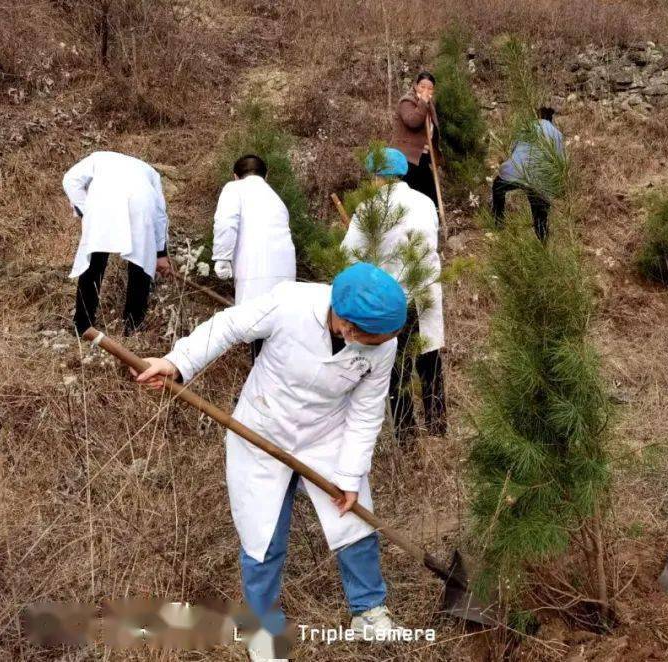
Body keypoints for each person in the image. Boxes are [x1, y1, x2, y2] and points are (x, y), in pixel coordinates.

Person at [132, 263, 408, 660]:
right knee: (263, 534)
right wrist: (176, 362)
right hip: (262, 430)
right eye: (376, 338)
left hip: (326, 435)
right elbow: (228, 326)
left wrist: (349, 475)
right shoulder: (290, 302)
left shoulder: (382, 344)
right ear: (348, 326)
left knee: (354, 522)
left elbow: (366, 411)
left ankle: (367, 610)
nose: (382, 344)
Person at [341, 148, 446, 440]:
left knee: (396, 368)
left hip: (393, 298)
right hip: (426, 289)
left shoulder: (369, 208)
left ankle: (408, 437)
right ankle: (438, 428)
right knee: (429, 360)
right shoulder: (424, 201)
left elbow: (350, 256)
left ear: (377, 177)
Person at [63, 151, 171, 335]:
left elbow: (70, 180)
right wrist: (160, 254)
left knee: (93, 263)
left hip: (104, 199)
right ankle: (132, 326)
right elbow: (160, 213)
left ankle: (83, 325)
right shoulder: (149, 170)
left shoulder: (98, 157)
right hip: (142, 201)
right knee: (140, 264)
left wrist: (85, 209)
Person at [212, 154, 297, 359]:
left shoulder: (234, 188)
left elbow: (226, 222)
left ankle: (258, 378)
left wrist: (222, 257)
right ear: (266, 175)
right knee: (277, 332)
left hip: (255, 269)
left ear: (235, 176)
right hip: (285, 273)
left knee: (255, 325)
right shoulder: (276, 198)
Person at [491, 107, 565, 241]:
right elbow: (559, 164)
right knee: (540, 214)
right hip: (538, 179)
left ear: (537, 114)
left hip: (515, 171)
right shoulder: (557, 134)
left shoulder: (526, 127)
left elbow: (513, 149)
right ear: (551, 118)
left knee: (497, 186)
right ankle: (543, 243)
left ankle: (498, 224)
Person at [389, 71, 440, 207]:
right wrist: (423, 102)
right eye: (423, 87)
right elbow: (413, 121)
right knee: (411, 197)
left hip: (421, 157)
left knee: (430, 197)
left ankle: (432, 224)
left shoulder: (429, 104)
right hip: (407, 158)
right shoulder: (407, 101)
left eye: (430, 88)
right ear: (416, 86)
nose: (426, 91)